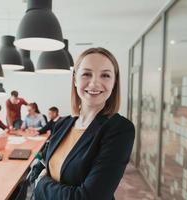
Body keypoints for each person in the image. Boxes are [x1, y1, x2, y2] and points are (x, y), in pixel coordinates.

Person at [32, 47, 135, 200]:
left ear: (114, 83)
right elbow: (45, 162)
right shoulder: (62, 124)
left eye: (105, 75)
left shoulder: (119, 129)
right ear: (75, 79)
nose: (94, 83)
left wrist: (41, 184)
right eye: (87, 74)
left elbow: (88, 197)